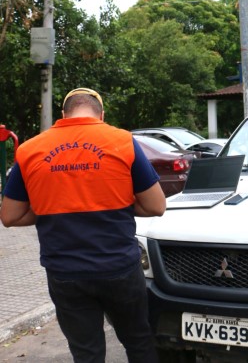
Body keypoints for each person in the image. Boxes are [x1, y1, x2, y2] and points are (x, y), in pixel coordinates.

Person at [0, 87, 166, 363]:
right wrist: (117, 203)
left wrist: (51, 207)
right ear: (101, 114)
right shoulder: (122, 142)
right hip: (120, 268)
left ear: (63, 115)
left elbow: (9, 216)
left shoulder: (30, 150)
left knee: (86, 353)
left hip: (65, 272)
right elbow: (156, 205)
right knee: (138, 341)